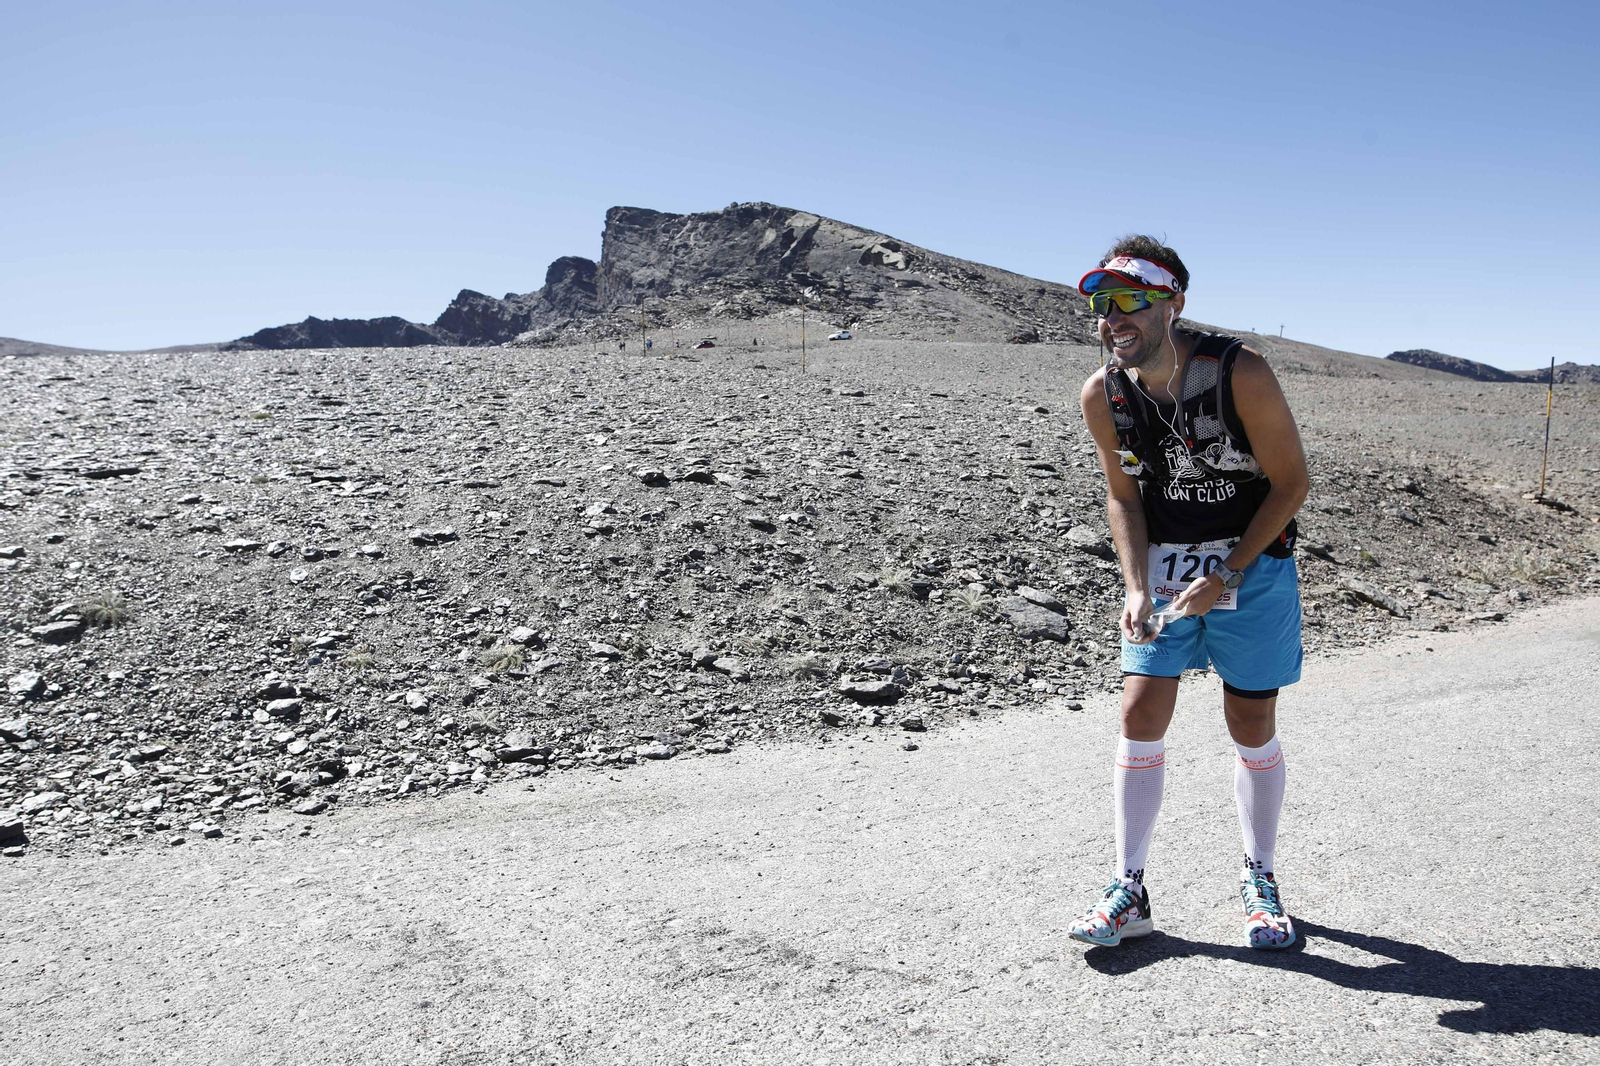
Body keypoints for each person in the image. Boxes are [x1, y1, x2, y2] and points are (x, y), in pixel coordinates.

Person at [1069, 235, 1308, 951]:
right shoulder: (1102, 393)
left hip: (1253, 568)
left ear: (1173, 303)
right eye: (1102, 306)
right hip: (1167, 573)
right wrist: (1136, 586)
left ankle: (1259, 877)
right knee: (1140, 711)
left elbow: (1292, 483)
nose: (1114, 320)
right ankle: (1128, 889)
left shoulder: (1240, 372)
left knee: (1249, 725)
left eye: (1130, 303)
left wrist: (1229, 572)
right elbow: (1123, 497)